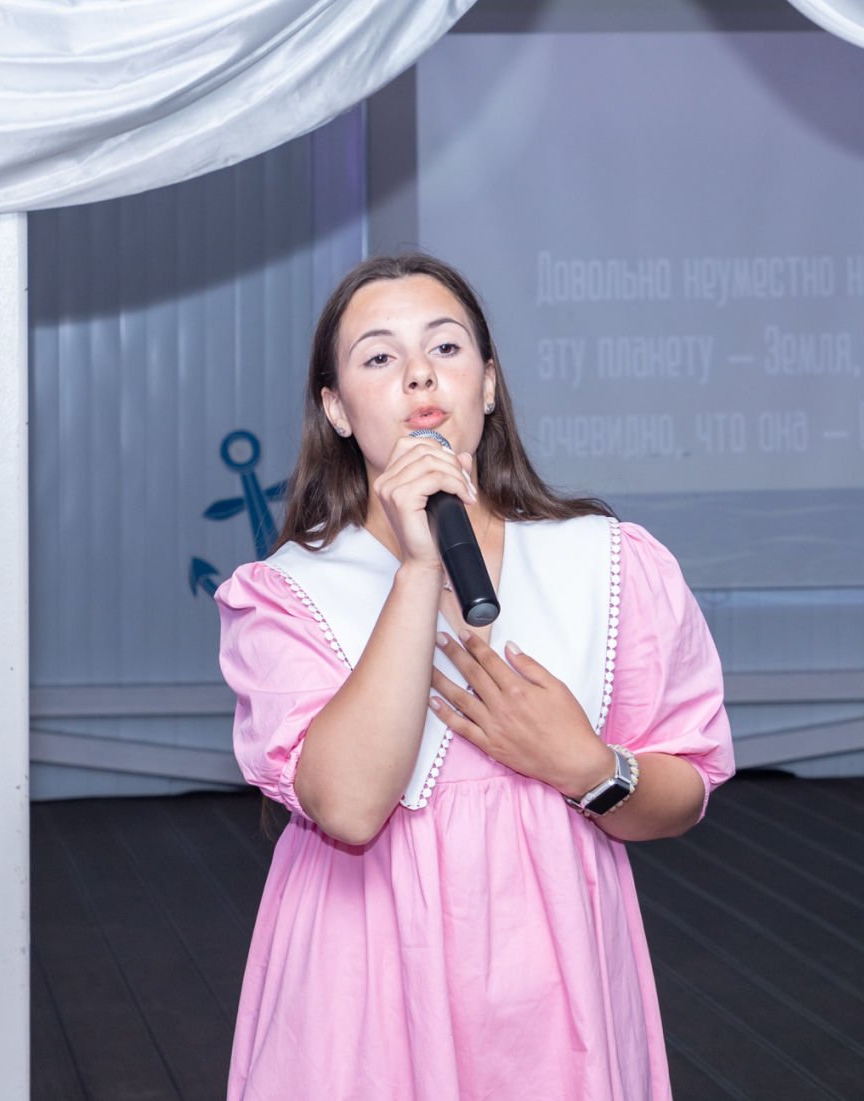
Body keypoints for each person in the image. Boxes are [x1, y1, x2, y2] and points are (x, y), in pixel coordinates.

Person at [215, 253, 735, 1100]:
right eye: (379, 356)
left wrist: (587, 766)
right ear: (337, 409)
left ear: (487, 385)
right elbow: (348, 807)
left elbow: (688, 791)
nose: (419, 373)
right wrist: (419, 569)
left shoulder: (607, 562)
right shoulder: (285, 594)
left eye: (446, 347)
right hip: (363, 995)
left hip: (556, 998)